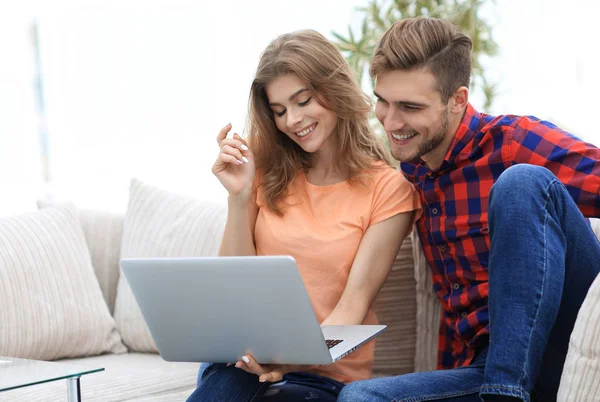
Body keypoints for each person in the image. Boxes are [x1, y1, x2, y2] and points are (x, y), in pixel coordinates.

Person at [336, 16, 600, 402]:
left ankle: (503, 393)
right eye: (382, 101)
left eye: (409, 106)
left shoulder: (514, 141)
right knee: (359, 398)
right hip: (485, 366)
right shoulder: (410, 176)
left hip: (565, 336)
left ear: (458, 100)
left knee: (521, 183)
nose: (391, 122)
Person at [185, 29, 421, 402]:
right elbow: (234, 284)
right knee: (226, 386)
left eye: (302, 101)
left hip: (320, 376)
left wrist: (286, 361)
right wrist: (240, 196)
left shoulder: (388, 190)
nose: (292, 120)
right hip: (242, 365)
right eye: (279, 111)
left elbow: (352, 308)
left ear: (334, 89)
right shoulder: (265, 166)